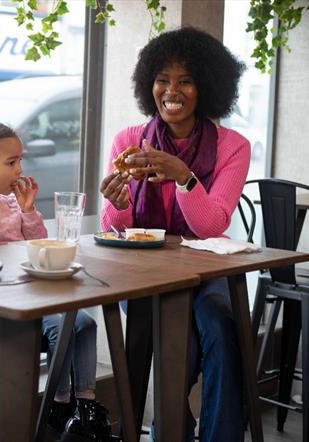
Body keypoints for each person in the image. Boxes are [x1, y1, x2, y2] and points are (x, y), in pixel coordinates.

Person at [99, 27, 249, 442]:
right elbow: (112, 228)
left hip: (205, 273)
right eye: (163, 79)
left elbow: (212, 224)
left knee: (221, 329)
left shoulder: (232, 147)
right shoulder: (129, 142)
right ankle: (171, 431)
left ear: (207, 88)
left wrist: (184, 179)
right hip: (143, 277)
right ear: (149, 86)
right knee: (178, 340)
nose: (172, 90)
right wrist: (120, 202)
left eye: (186, 80)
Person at [0, 119, 117, 442]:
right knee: (63, 325)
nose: (20, 169)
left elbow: (38, 245)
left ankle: (84, 406)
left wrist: (29, 211)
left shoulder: (11, 203)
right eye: (11, 162)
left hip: (30, 295)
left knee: (84, 323)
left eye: (20, 160)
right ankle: (60, 402)